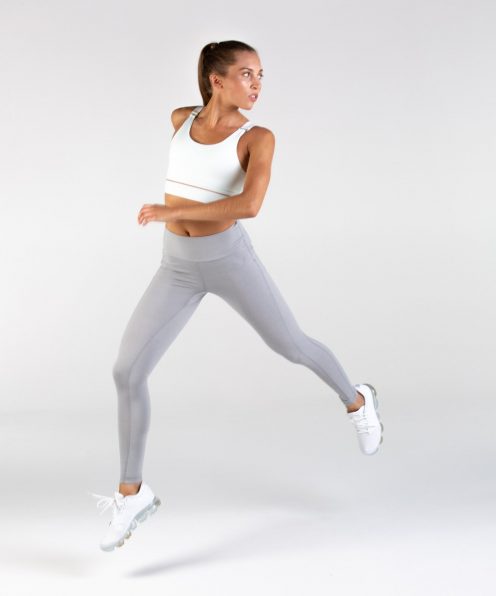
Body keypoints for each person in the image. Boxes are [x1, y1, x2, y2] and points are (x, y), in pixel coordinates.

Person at [90, 40, 383, 552]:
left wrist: (170, 211)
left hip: (228, 260)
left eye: (261, 75)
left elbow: (249, 205)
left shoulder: (258, 138)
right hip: (177, 267)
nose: (257, 84)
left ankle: (357, 401)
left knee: (291, 345)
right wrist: (172, 218)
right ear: (216, 80)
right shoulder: (180, 119)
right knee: (127, 371)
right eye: (247, 74)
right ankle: (132, 494)